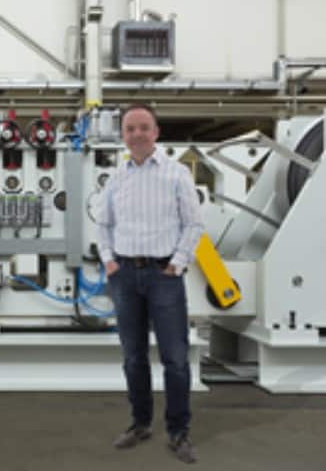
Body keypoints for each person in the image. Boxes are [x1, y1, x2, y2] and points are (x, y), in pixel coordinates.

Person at [97, 103, 204, 464]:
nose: (137, 134)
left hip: (163, 277)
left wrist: (176, 264)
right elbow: (103, 224)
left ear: (156, 133)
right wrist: (109, 261)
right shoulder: (116, 177)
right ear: (123, 135)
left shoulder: (176, 175)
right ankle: (140, 423)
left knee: (175, 358)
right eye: (130, 128)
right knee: (133, 358)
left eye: (144, 127)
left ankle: (178, 431)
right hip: (125, 276)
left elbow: (193, 224)